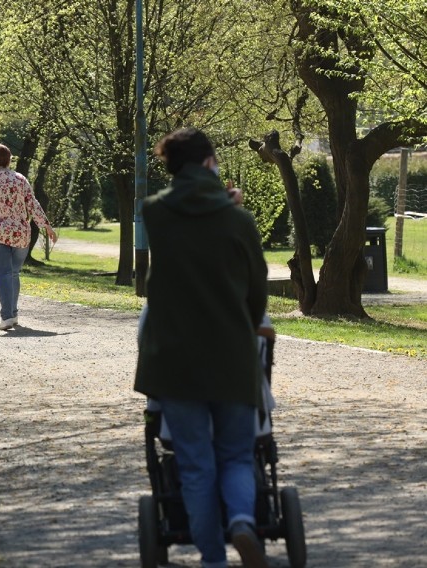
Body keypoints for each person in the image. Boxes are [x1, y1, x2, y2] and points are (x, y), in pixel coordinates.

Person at [135, 128, 269, 568]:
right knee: (235, 454)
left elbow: (187, 219)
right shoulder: (239, 220)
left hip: (175, 360)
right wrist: (249, 325)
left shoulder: (155, 212)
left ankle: (212, 559)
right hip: (231, 355)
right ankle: (244, 522)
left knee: (194, 464)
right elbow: (256, 288)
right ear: (210, 162)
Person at [0, 142, 57, 331]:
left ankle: (7, 316)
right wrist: (47, 226)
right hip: (20, 234)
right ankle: (14, 314)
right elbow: (33, 204)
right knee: (13, 273)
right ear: (8, 160)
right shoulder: (20, 179)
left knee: (3, 274)